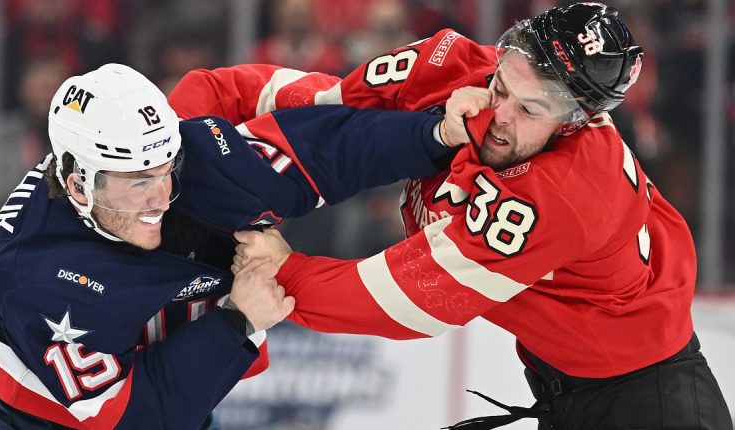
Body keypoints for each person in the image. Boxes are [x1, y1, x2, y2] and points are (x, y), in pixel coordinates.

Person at [225, 3, 733, 429]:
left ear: (576, 123)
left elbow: (409, 299)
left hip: (650, 405)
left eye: (531, 109)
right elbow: (324, 103)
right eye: (502, 84)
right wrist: (215, 110)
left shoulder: (565, 192)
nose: (501, 113)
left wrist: (285, 272)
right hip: (576, 382)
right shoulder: (454, 63)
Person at [0, 61, 468, 429]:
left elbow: (330, 148)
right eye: (138, 182)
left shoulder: (198, 164)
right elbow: (134, 416)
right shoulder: (34, 270)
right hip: (30, 418)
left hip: (181, 400)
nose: (162, 196)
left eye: (166, 171)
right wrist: (237, 323)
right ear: (77, 186)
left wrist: (438, 131)